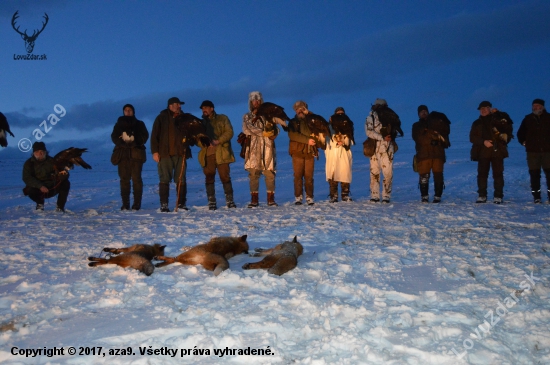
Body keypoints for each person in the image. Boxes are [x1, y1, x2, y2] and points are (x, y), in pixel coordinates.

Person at [150, 97, 192, 212]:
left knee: (181, 179)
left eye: (180, 104)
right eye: (177, 104)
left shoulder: (185, 118)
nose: (179, 106)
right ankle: (164, 205)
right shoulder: (161, 118)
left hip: (180, 153)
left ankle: (181, 204)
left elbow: (191, 134)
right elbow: (154, 136)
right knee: (164, 179)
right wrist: (155, 152)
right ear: (170, 106)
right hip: (165, 154)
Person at [469, 101, 513, 204]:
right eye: (481, 109)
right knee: (482, 175)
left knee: (498, 174)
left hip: (497, 151)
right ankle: (482, 195)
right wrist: (483, 142)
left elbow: (508, 124)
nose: (483, 110)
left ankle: (498, 196)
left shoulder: (498, 119)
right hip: (483, 152)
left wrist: (499, 113)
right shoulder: (476, 123)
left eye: (485, 108)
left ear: (490, 108)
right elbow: (472, 137)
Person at [242, 91, 279, 207]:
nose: (256, 102)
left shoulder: (269, 115)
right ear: (251, 102)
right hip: (253, 149)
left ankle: (271, 199)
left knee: (269, 173)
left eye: (258, 100)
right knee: (253, 174)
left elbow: (276, 128)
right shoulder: (247, 116)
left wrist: (274, 133)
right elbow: (247, 129)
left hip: (267, 147)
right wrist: (264, 133)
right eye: (254, 100)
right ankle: (254, 200)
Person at [198, 100, 236, 210]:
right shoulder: (201, 123)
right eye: (202, 108)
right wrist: (204, 143)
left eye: (206, 107)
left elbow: (229, 132)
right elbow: (197, 139)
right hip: (207, 154)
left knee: (225, 176)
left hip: (222, 153)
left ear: (212, 108)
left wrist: (218, 141)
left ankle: (230, 201)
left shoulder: (222, 118)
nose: (203, 110)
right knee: (209, 178)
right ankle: (211, 202)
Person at [111, 104, 149, 210]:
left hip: (136, 155)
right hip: (122, 155)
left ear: (133, 111)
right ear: (123, 112)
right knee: (124, 179)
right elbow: (114, 136)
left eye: (130, 110)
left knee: (136, 179)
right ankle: (125, 204)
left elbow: (145, 136)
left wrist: (135, 142)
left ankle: (137, 204)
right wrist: (121, 143)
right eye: (126, 110)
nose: (128, 112)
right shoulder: (118, 124)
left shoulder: (140, 124)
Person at [365, 98, 402, 203]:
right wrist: (383, 137)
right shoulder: (371, 117)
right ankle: (376, 195)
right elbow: (369, 132)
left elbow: (368, 132)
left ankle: (384, 196)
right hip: (376, 147)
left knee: (385, 172)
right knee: (376, 172)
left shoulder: (374, 117)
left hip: (386, 147)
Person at [411, 105, 451, 203]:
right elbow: (418, 138)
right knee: (424, 176)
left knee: (438, 175)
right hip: (423, 155)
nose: (423, 113)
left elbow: (445, 133)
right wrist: (430, 134)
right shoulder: (416, 126)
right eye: (421, 112)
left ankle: (438, 196)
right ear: (418, 114)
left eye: (425, 111)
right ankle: (424, 196)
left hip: (438, 154)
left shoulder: (436, 123)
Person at [288, 100, 324, 205]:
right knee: (298, 176)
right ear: (295, 111)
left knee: (309, 176)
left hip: (310, 152)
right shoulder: (292, 122)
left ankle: (309, 197)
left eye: (302, 108)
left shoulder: (311, 121)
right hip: (297, 152)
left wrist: (310, 114)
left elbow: (319, 125)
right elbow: (292, 135)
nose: (300, 111)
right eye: (298, 109)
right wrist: (307, 140)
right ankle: (298, 197)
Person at [517, 98, 550, 203]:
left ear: (542, 107)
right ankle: (536, 196)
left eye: (537, 106)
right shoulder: (528, 119)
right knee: (534, 175)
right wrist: (523, 142)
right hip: (532, 152)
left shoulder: (549, 118)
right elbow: (520, 133)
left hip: (547, 152)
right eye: (534, 106)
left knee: (549, 174)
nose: (535, 107)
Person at [22, 142, 70, 212]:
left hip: (52, 187)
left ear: (45, 152)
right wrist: (40, 186)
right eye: (37, 151)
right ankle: (40, 204)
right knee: (29, 189)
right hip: (38, 189)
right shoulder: (29, 163)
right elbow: (26, 178)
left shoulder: (53, 161)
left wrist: (63, 176)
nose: (40, 153)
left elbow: (63, 172)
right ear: (34, 153)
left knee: (65, 183)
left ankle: (60, 207)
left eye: (42, 151)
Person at [326, 106, 353, 202]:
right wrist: (336, 143)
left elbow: (351, 138)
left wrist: (345, 141)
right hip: (333, 152)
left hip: (344, 152)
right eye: (338, 113)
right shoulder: (330, 126)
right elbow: (327, 139)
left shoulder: (348, 124)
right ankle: (333, 195)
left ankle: (345, 195)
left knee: (344, 172)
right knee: (333, 173)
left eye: (342, 113)